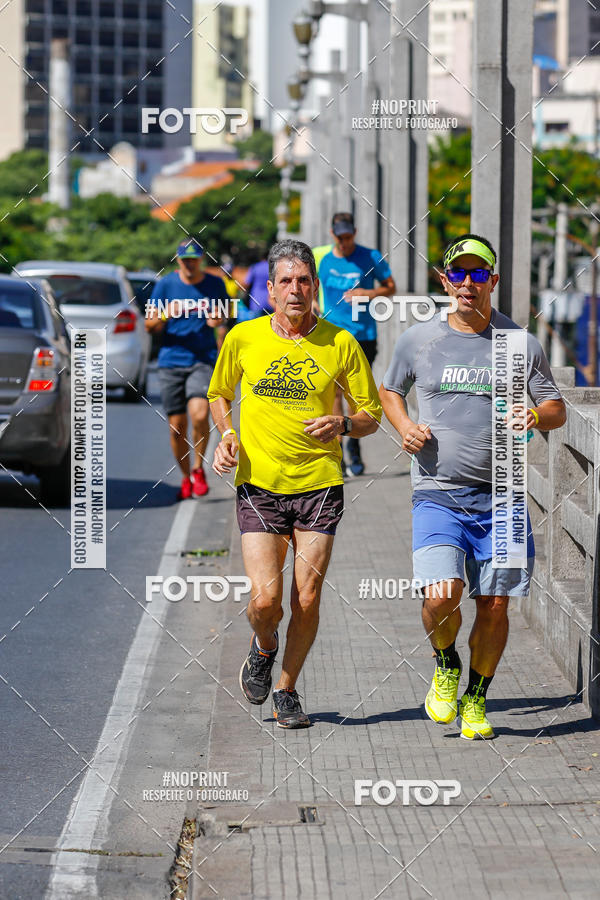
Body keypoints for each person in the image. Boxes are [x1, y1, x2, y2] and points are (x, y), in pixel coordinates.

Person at [379, 234, 566, 740]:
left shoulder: (519, 344)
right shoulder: (419, 340)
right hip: (438, 489)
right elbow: (391, 390)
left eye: (478, 273)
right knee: (442, 596)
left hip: (503, 494)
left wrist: (534, 413)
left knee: (496, 603)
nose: (467, 283)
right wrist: (404, 426)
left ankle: (477, 699)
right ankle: (445, 663)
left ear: (493, 281)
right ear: (444, 281)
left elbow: (557, 408)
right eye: (458, 274)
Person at [208, 239, 382, 728]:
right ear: (270, 289)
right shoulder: (243, 338)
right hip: (260, 485)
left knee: (306, 598)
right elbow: (219, 393)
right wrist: (226, 434)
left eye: (304, 280)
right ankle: (263, 646)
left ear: (315, 287)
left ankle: (286, 688)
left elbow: (370, 416)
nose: (295, 290)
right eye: (285, 281)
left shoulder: (340, 342)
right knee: (266, 601)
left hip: (320, 485)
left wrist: (344, 426)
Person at [146, 238, 226, 500]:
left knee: (200, 414)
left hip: (202, 359)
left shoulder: (214, 284)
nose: (190, 264)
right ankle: (185, 478)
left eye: (194, 259)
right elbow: (149, 325)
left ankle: (197, 469)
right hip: (171, 361)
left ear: (201, 259)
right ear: (178, 259)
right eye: (185, 260)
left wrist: (219, 319)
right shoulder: (165, 285)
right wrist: (166, 314)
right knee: (177, 427)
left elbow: (227, 315)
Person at [318, 212, 395, 476]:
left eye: (349, 237)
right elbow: (316, 291)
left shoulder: (371, 257)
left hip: (363, 336)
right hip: (333, 336)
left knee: (354, 392)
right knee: (335, 392)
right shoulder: (325, 262)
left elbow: (390, 286)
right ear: (332, 234)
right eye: (340, 237)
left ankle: (354, 443)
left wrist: (368, 293)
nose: (345, 242)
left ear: (355, 232)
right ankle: (338, 450)